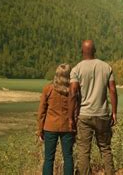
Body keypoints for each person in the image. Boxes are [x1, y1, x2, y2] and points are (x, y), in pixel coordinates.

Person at [70, 40, 118, 175]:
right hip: (102, 114)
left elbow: (73, 93)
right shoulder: (106, 67)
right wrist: (114, 112)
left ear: (82, 52)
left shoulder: (76, 69)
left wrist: (71, 117)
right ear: (95, 50)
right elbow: (113, 90)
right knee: (105, 148)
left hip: (84, 115)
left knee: (84, 150)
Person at [37, 63, 77, 175]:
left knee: (49, 158)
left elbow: (41, 112)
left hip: (50, 127)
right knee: (68, 157)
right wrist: (75, 128)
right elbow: (75, 111)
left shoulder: (48, 89)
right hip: (67, 127)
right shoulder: (73, 90)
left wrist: (40, 130)